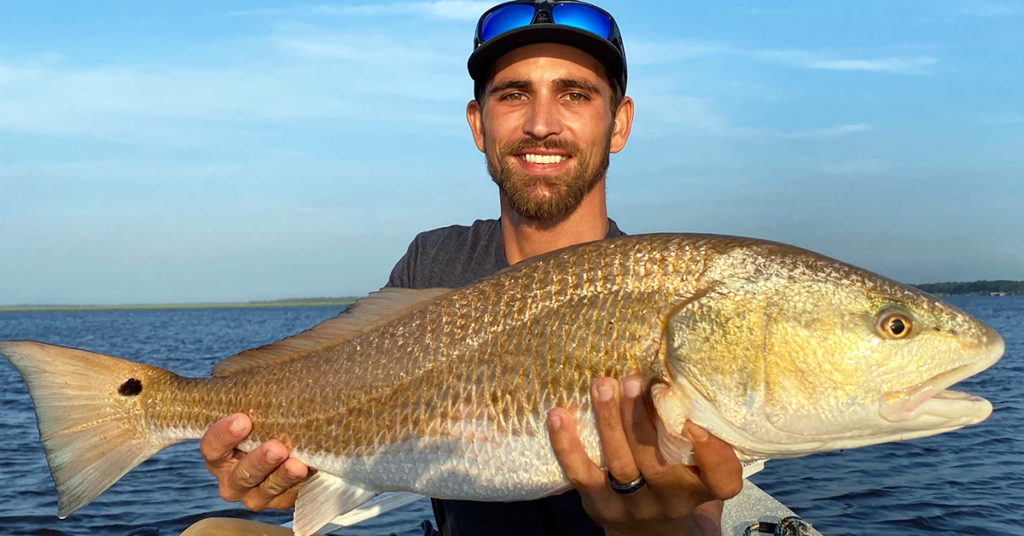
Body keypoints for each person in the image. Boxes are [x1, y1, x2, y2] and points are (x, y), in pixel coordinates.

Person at [183, 1, 742, 535]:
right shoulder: (433, 261)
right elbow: (336, 404)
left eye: (574, 94)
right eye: (514, 95)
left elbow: (701, 512)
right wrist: (276, 473)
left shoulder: (658, 290)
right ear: (478, 124)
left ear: (619, 124)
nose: (541, 123)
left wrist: (658, 528)